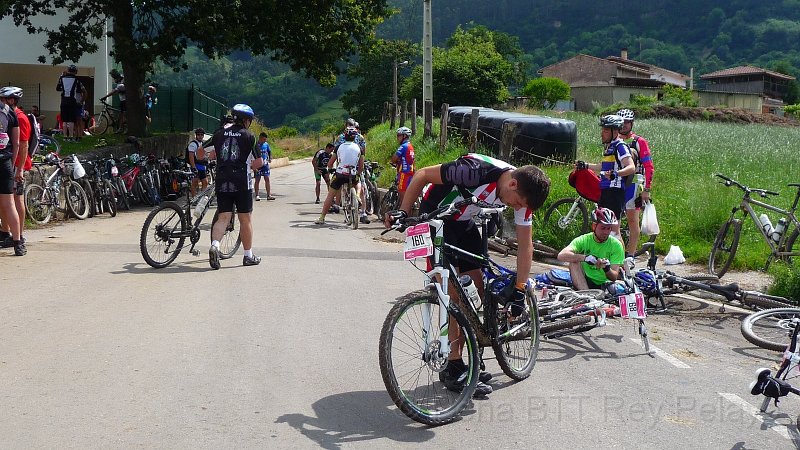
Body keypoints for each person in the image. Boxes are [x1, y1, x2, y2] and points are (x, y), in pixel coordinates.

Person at [384, 153, 551, 396]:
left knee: (476, 289)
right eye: (516, 204)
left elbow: (526, 246)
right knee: (452, 294)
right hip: (437, 218)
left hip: (466, 220)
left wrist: (520, 287)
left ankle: (470, 351)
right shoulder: (472, 171)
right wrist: (403, 211)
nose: (516, 209)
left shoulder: (522, 191)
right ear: (512, 184)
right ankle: (453, 365)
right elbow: (421, 175)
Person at [208, 104, 264, 269]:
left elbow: (201, 152)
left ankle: (215, 246)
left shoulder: (219, 134)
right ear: (246, 121)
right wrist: (252, 166)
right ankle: (248, 256)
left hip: (222, 178)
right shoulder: (249, 136)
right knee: (245, 219)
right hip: (241, 181)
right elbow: (259, 162)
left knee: (223, 217)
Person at [576, 114, 635, 242]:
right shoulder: (610, 147)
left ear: (615, 131)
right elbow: (603, 166)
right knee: (605, 229)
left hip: (615, 192)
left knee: (614, 230)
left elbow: (631, 167)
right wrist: (586, 165)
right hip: (606, 191)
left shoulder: (620, 146)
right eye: (602, 130)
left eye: (606, 130)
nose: (602, 133)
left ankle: (619, 260)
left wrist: (616, 174)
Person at [617, 108, 655, 257]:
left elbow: (649, 167)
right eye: (622, 122)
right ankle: (617, 253)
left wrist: (647, 189)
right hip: (617, 182)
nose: (624, 125)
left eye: (627, 122)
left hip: (633, 184)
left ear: (632, 124)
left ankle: (630, 255)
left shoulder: (639, 142)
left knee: (633, 221)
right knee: (614, 221)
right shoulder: (614, 141)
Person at [557, 207, 625, 290]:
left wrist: (607, 269)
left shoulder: (616, 245)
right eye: (603, 228)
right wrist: (585, 258)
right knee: (574, 262)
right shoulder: (584, 240)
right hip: (585, 281)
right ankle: (586, 294)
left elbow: (614, 276)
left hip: (605, 285)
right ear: (594, 226)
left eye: (609, 228)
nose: (606, 232)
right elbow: (561, 255)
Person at [0, 87, 30, 253]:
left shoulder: (20, 117)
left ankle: (19, 236)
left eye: (3, 98)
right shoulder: (12, 116)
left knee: (16, 201)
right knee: (9, 202)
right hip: (7, 162)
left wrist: (18, 169)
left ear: (11, 100)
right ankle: (8, 234)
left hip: (18, 165)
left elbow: (23, 144)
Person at [314, 127, 363, 225]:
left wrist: (330, 169)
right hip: (352, 173)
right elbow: (361, 165)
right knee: (358, 182)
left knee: (330, 195)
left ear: (345, 136)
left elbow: (330, 163)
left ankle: (322, 218)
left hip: (340, 173)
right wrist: (358, 173)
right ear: (354, 137)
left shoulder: (339, 147)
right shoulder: (359, 148)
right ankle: (357, 195)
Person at [56, 64, 86, 142]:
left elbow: (57, 88)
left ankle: (65, 137)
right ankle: (71, 136)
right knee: (71, 120)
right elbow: (81, 89)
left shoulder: (62, 78)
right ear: (75, 71)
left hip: (63, 100)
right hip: (72, 100)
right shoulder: (76, 79)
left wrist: (61, 76)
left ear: (68, 70)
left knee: (64, 120)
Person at [391, 126, 415, 206]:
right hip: (410, 173)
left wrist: (396, 161)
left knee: (403, 199)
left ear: (404, 136)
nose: (397, 137)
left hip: (404, 174)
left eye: (399, 135)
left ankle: (404, 216)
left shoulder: (403, 146)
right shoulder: (410, 146)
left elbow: (393, 159)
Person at [186, 128, 208, 197]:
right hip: (196, 165)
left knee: (205, 182)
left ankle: (201, 198)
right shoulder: (193, 144)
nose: (200, 136)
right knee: (195, 183)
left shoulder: (202, 143)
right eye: (198, 135)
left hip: (201, 166)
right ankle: (194, 199)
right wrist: (193, 167)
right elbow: (191, 156)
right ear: (196, 135)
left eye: (202, 135)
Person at [253, 132, 274, 201]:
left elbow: (269, 151)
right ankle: (257, 195)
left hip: (265, 164)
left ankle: (268, 195)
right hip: (258, 165)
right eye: (264, 139)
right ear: (260, 138)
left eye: (266, 139)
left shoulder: (266, 144)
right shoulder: (256, 145)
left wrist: (270, 158)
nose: (265, 141)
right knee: (257, 180)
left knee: (267, 179)